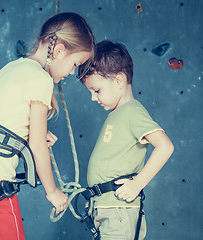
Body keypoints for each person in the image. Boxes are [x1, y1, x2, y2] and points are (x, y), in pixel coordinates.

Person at [0, 12, 95, 240]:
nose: (71, 73)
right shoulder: (41, 79)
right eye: (75, 64)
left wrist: (30, 134)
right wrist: (53, 192)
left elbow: (3, 120)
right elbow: (38, 147)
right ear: (59, 51)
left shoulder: (12, 68)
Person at [78, 40, 174, 239]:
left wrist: (137, 184)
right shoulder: (117, 114)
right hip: (106, 208)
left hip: (119, 211)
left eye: (96, 90)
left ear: (119, 80)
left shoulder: (132, 111)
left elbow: (165, 146)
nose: (93, 98)